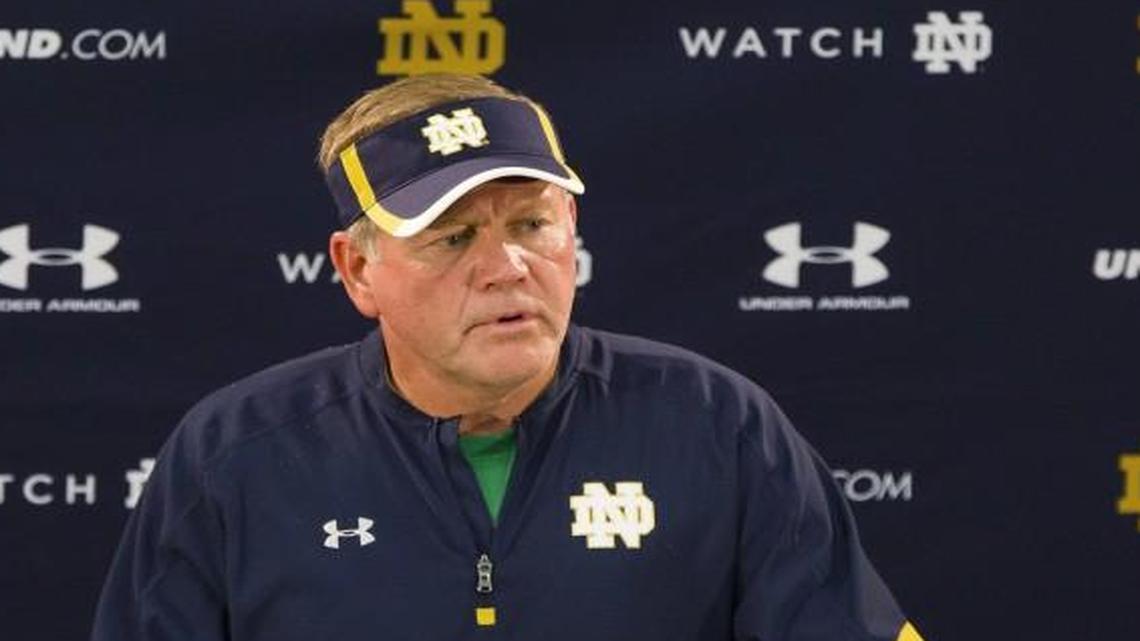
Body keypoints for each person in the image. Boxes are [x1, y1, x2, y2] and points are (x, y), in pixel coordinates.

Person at [91, 73, 925, 641]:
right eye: (452, 237)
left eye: (530, 225)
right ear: (355, 269)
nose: (505, 267)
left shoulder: (716, 425)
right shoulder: (234, 456)